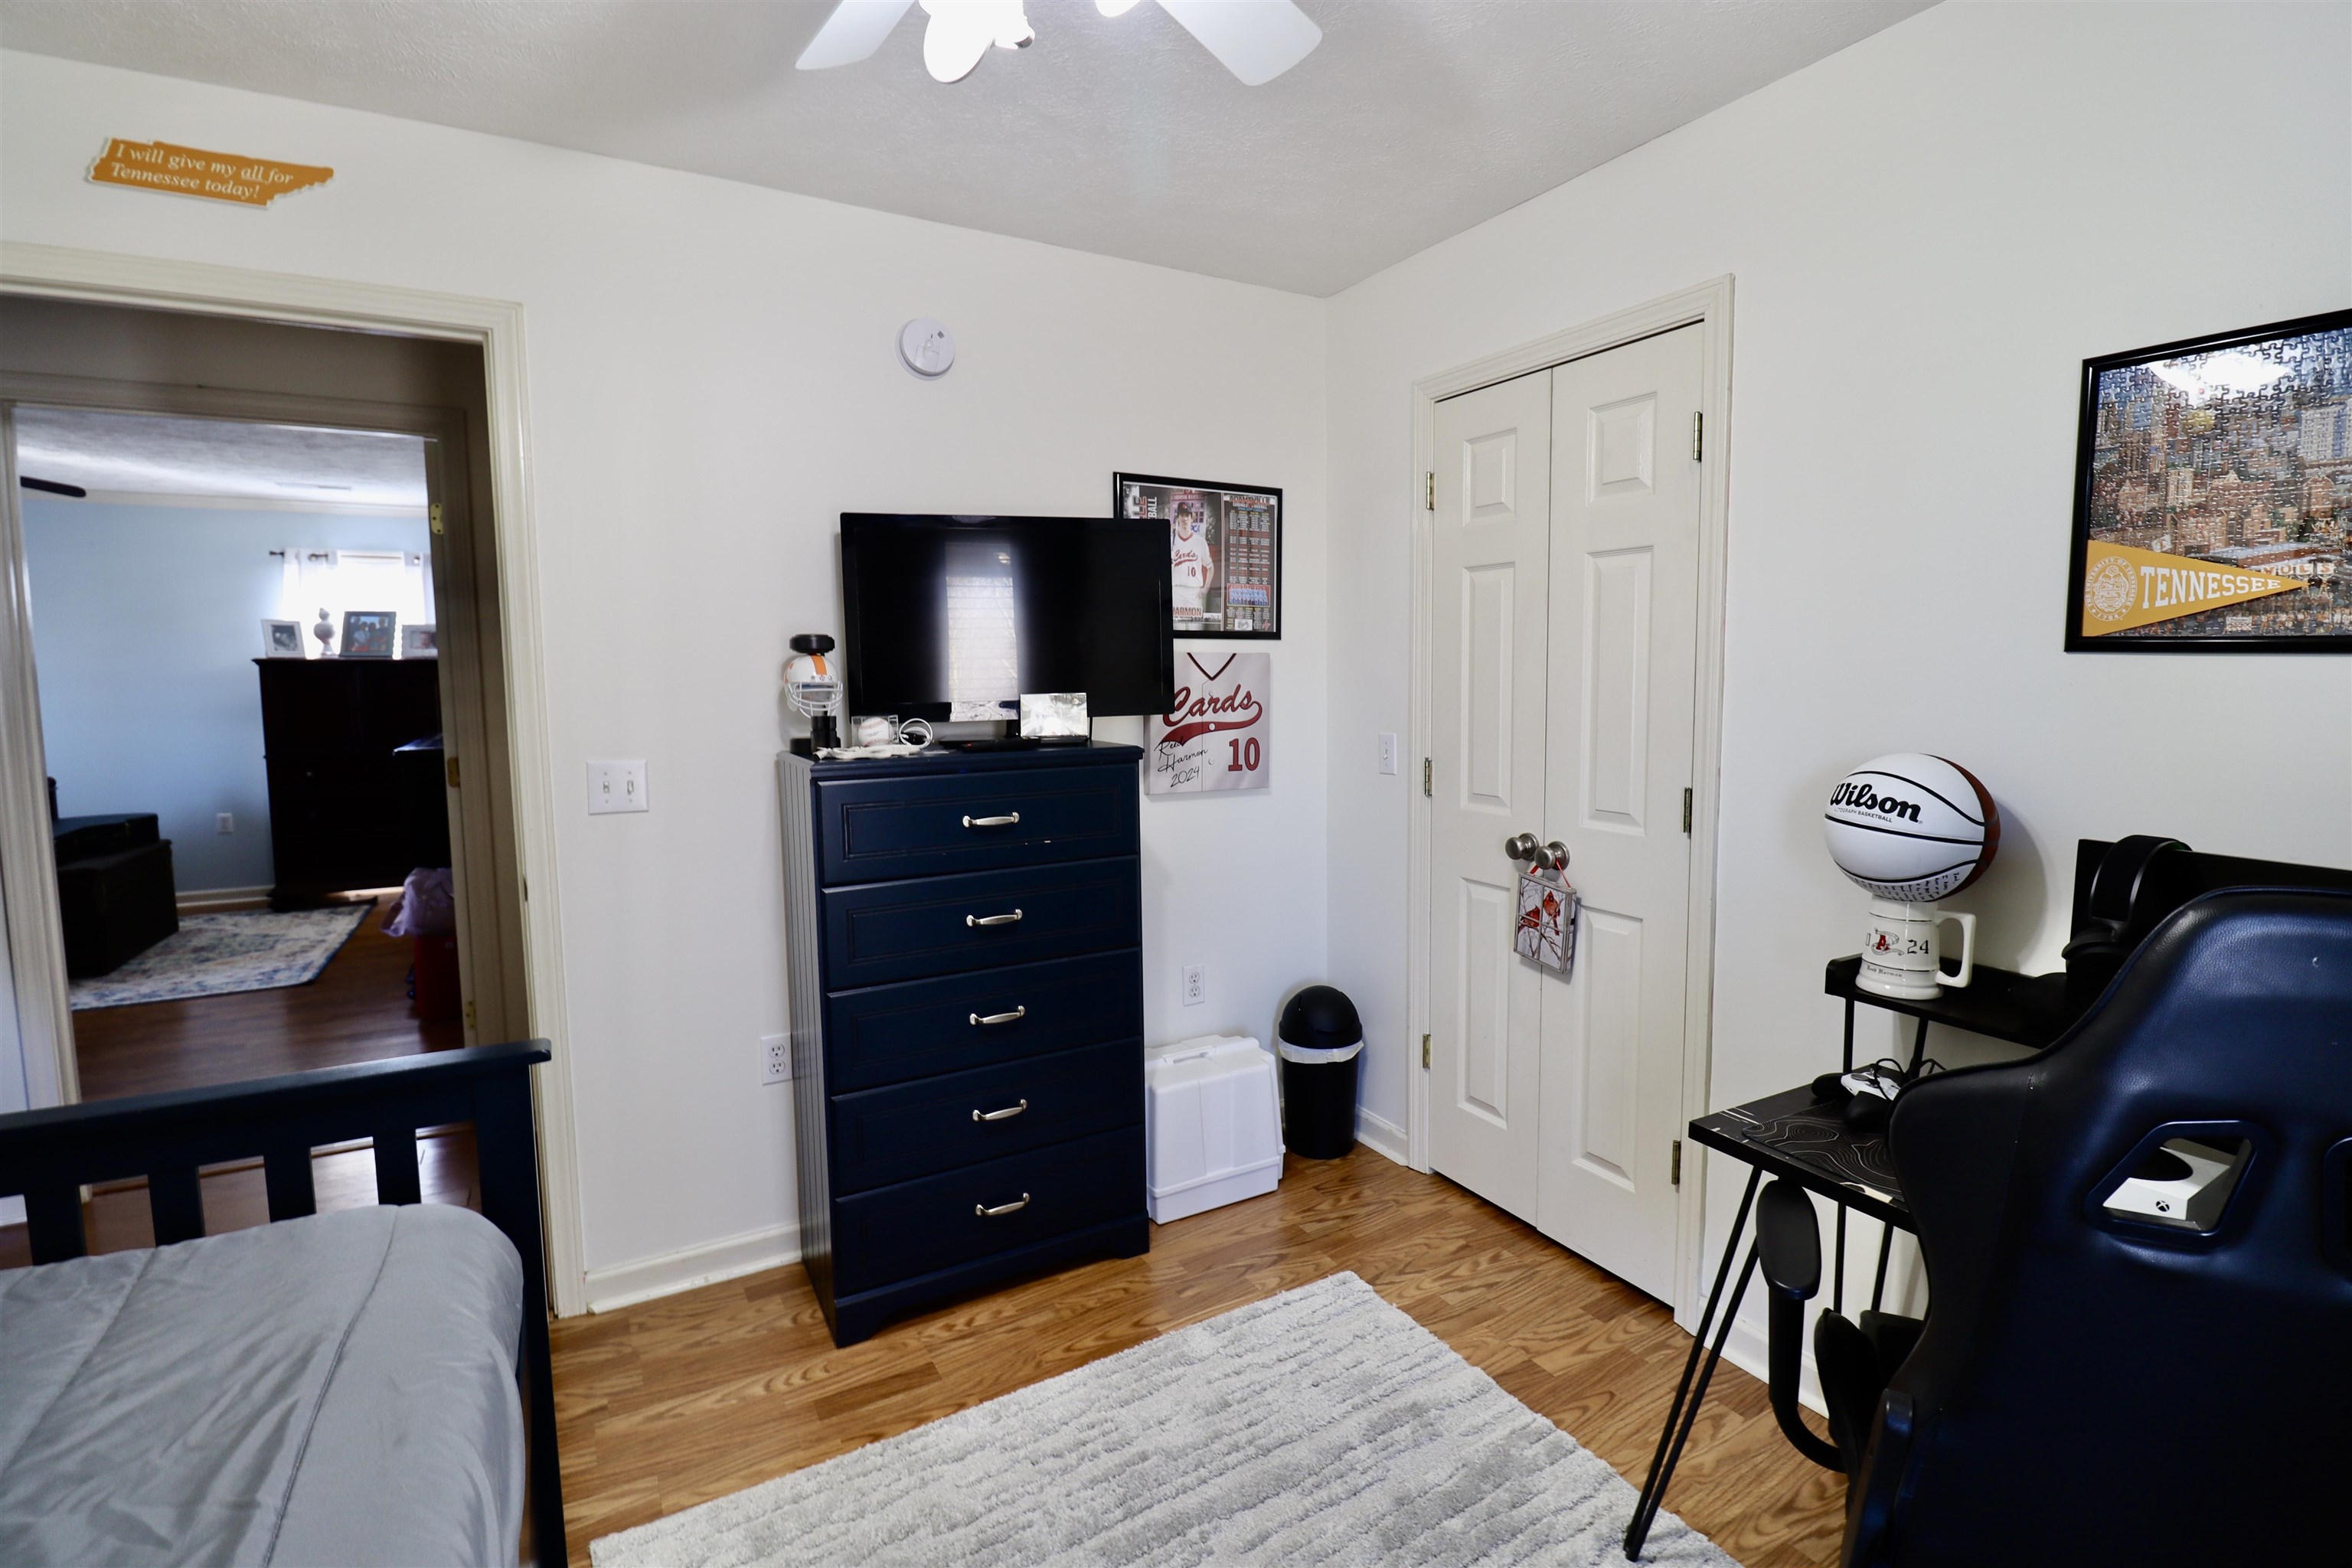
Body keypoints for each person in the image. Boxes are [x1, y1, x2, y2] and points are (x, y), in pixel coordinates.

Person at [1170, 495, 1217, 629]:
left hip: (1194, 592)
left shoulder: (1200, 542)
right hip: (1176, 591)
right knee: (1175, 633)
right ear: (1178, 518)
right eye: (1182, 515)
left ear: (1192, 518)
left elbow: (1211, 568)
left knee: (1196, 633)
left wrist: (1205, 588)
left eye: (1187, 515)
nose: (1185, 518)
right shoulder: (1170, 541)